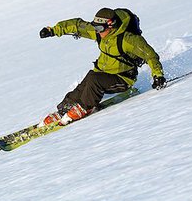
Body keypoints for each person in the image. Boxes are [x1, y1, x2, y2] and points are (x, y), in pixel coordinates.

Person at [38, 7, 166, 126]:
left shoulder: (128, 40)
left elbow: (150, 55)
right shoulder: (99, 33)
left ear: (111, 25)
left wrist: (158, 75)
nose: (97, 32)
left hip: (122, 79)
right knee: (89, 79)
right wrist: (53, 30)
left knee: (95, 80)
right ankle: (63, 110)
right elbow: (77, 25)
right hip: (101, 74)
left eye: (100, 29)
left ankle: (84, 108)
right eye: (96, 28)